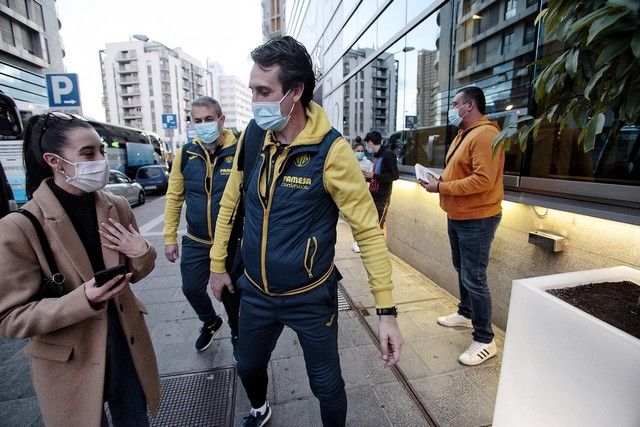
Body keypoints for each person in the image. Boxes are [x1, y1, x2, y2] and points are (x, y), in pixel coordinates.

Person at [208, 36, 404, 427]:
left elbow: (367, 231)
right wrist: (217, 264)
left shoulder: (332, 153)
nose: (255, 101)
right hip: (257, 292)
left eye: (265, 92)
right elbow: (230, 203)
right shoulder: (252, 137)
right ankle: (260, 409)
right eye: (252, 91)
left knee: (327, 386)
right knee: (247, 364)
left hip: (310, 297)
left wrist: (386, 311)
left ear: (295, 92)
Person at [0, 112, 160, 426]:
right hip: (67, 357)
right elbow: (9, 319)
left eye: (101, 150)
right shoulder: (19, 227)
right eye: (88, 154)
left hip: (126, 343)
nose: (100, 160)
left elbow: (133, 273)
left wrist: (142, 252)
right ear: (54, 161)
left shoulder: (117, 205)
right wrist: (83, 299)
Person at [421, 86, 504, 366]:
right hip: (459, 215)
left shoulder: (485, 135)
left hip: (477, 218)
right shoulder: (464, 134)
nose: (452, 108)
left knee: (475, 277)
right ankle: (465, 312)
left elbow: (483, 180)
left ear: (470, 106)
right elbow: (464, 173)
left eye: (455, 103)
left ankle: (485, 340)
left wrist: (441, 186)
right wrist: (439, 178)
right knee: (463, 270)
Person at [163, 96, 240, 353]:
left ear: (221, 120)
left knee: (232, 296)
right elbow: (174, 197)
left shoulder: (239, 151)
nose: (204, 124)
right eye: (198, 121)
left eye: (209, 119)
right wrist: (169, 237)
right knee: (191, 289)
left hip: (230, 241)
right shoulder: (185, 154)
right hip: (196, 240)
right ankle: (210, 322)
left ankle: (238, 337)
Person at [363, 130, 399, 232]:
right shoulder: (376, 156)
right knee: (370, 224)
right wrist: (368, 177)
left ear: (370, 142)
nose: (367, 146)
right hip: (373, 195)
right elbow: (377, 175)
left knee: (378, 226)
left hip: (382, 197)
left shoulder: (388, 155)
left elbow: (394, 176)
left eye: (367, 143)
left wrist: (375, 176)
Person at [351, 141, 372, 253]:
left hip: (364, 193)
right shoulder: (350, 161)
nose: (360, 153)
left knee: (362, 219)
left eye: (362, 151)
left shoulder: (368, 163)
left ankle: (362, 241)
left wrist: (367, 176)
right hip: (353, 194)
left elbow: (371, 177)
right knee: (355, 219)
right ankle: (355, 241)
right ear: (354, 151)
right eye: (358, 151)